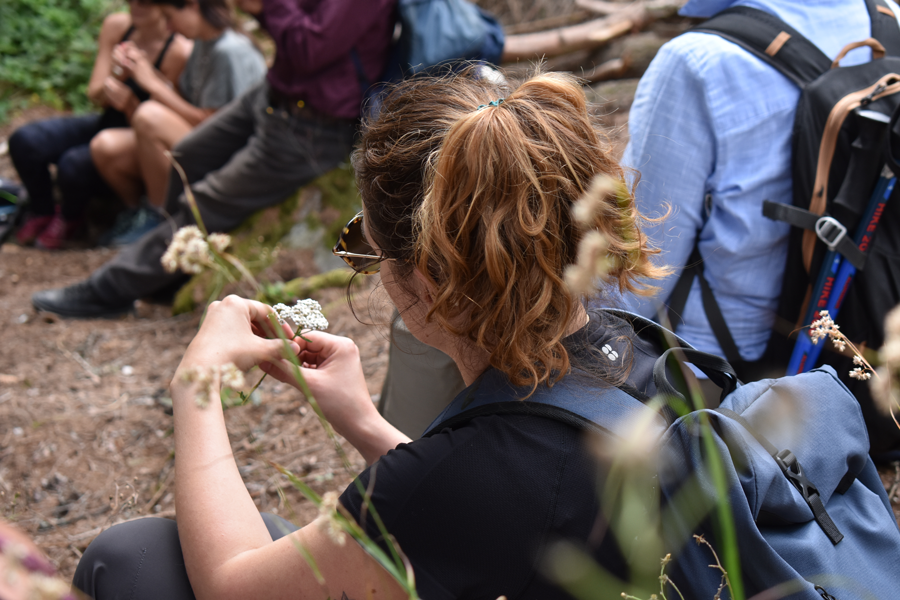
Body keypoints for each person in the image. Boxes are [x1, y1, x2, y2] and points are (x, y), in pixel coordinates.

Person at [71, 69, 669, 600]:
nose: (371, 267)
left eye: (368, 247)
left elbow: (233, 585)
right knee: (282, 538)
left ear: (429, 279)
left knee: (128, 561)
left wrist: (196, 386)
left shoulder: (452, 480)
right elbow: (493, 507)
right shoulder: (639, 355)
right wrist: (363, 420)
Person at [31, 0, 396, 318]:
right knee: (188, 156)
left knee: (204, 201)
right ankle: (173, 269)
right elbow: (290, 37)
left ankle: (106, 291)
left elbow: (308, 49)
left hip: (312, 128)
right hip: (273, 93)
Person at [620, 0, 890, 380]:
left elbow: (638, 277)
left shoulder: (697, 62)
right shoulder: (890, 24)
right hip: (875, 359)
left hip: (725, 384)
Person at [9, 0, 192, 250]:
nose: (135, 6)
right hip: (107, 119)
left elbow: (156, 125)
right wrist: (119, 74)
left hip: (136, 139)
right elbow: (95, 93)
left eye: (145, 3)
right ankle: (41, 210)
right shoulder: (117, 26)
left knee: (72, 165)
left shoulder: (178, 52)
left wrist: (133, 98)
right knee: (25, 140)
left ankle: (72, 218)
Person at [90, 0, 267, 247]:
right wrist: (137, 72)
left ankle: (159, 219)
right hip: (203, 140)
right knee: (107, 147)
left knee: (149, 116)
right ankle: (136, 213)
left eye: (170, 17)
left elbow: (217, 124)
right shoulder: (202, 44)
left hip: (232, 155)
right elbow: (183, 100)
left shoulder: (229, 50)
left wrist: (152, 84)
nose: (169, 27)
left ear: (193, 6)